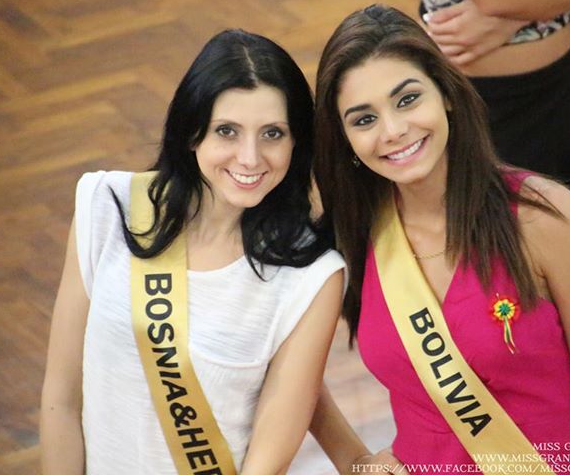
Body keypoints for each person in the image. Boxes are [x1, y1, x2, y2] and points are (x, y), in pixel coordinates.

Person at [310, 5, 570, 474]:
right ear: (344, 139)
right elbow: (283, 370)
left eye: (407, 99)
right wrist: (357, 462)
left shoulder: (544, 218)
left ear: (446, 93)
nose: (394, 130)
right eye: (364, 120)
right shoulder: (353, 233)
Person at [40, 29, 345, 475]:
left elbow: (268, 459)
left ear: (296, 142)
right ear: (191, 132)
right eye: (227, 131)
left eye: (272, 133)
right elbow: (61, 399)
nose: (250, 157)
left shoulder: (312, 277)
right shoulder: (107, 205)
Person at [419, 0, 570, 239]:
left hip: (554, 91)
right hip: (464, 93)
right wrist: (528, 11)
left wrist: (524, 13)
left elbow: (496, 2)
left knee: (561, 241)